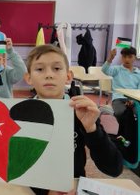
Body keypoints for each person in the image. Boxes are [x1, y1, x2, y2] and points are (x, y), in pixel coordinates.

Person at [24, 44, 123, 195]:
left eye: (57, 68)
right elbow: (16, 164)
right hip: (31, 189)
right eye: (39, 69)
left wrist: (92, 129)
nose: (49, 75)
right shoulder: (20, 115)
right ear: (29, 78)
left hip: (72, 187)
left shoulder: (81, 112)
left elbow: (113, 168)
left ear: (68, 76)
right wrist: (45, 191)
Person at [102, 47, 140, 120]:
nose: (127, 59)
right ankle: (126, 130)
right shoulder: (117, 69)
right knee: (121, 113)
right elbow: (104, 70)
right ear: (121, 58)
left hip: (134, 99)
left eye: (130, 57)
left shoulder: (138, 73)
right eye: (124, 57)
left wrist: (133, 101)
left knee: (138, 113)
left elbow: (139, 91)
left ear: (134, 57)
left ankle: (132, 130)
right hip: (118, 98)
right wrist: (110, 58)